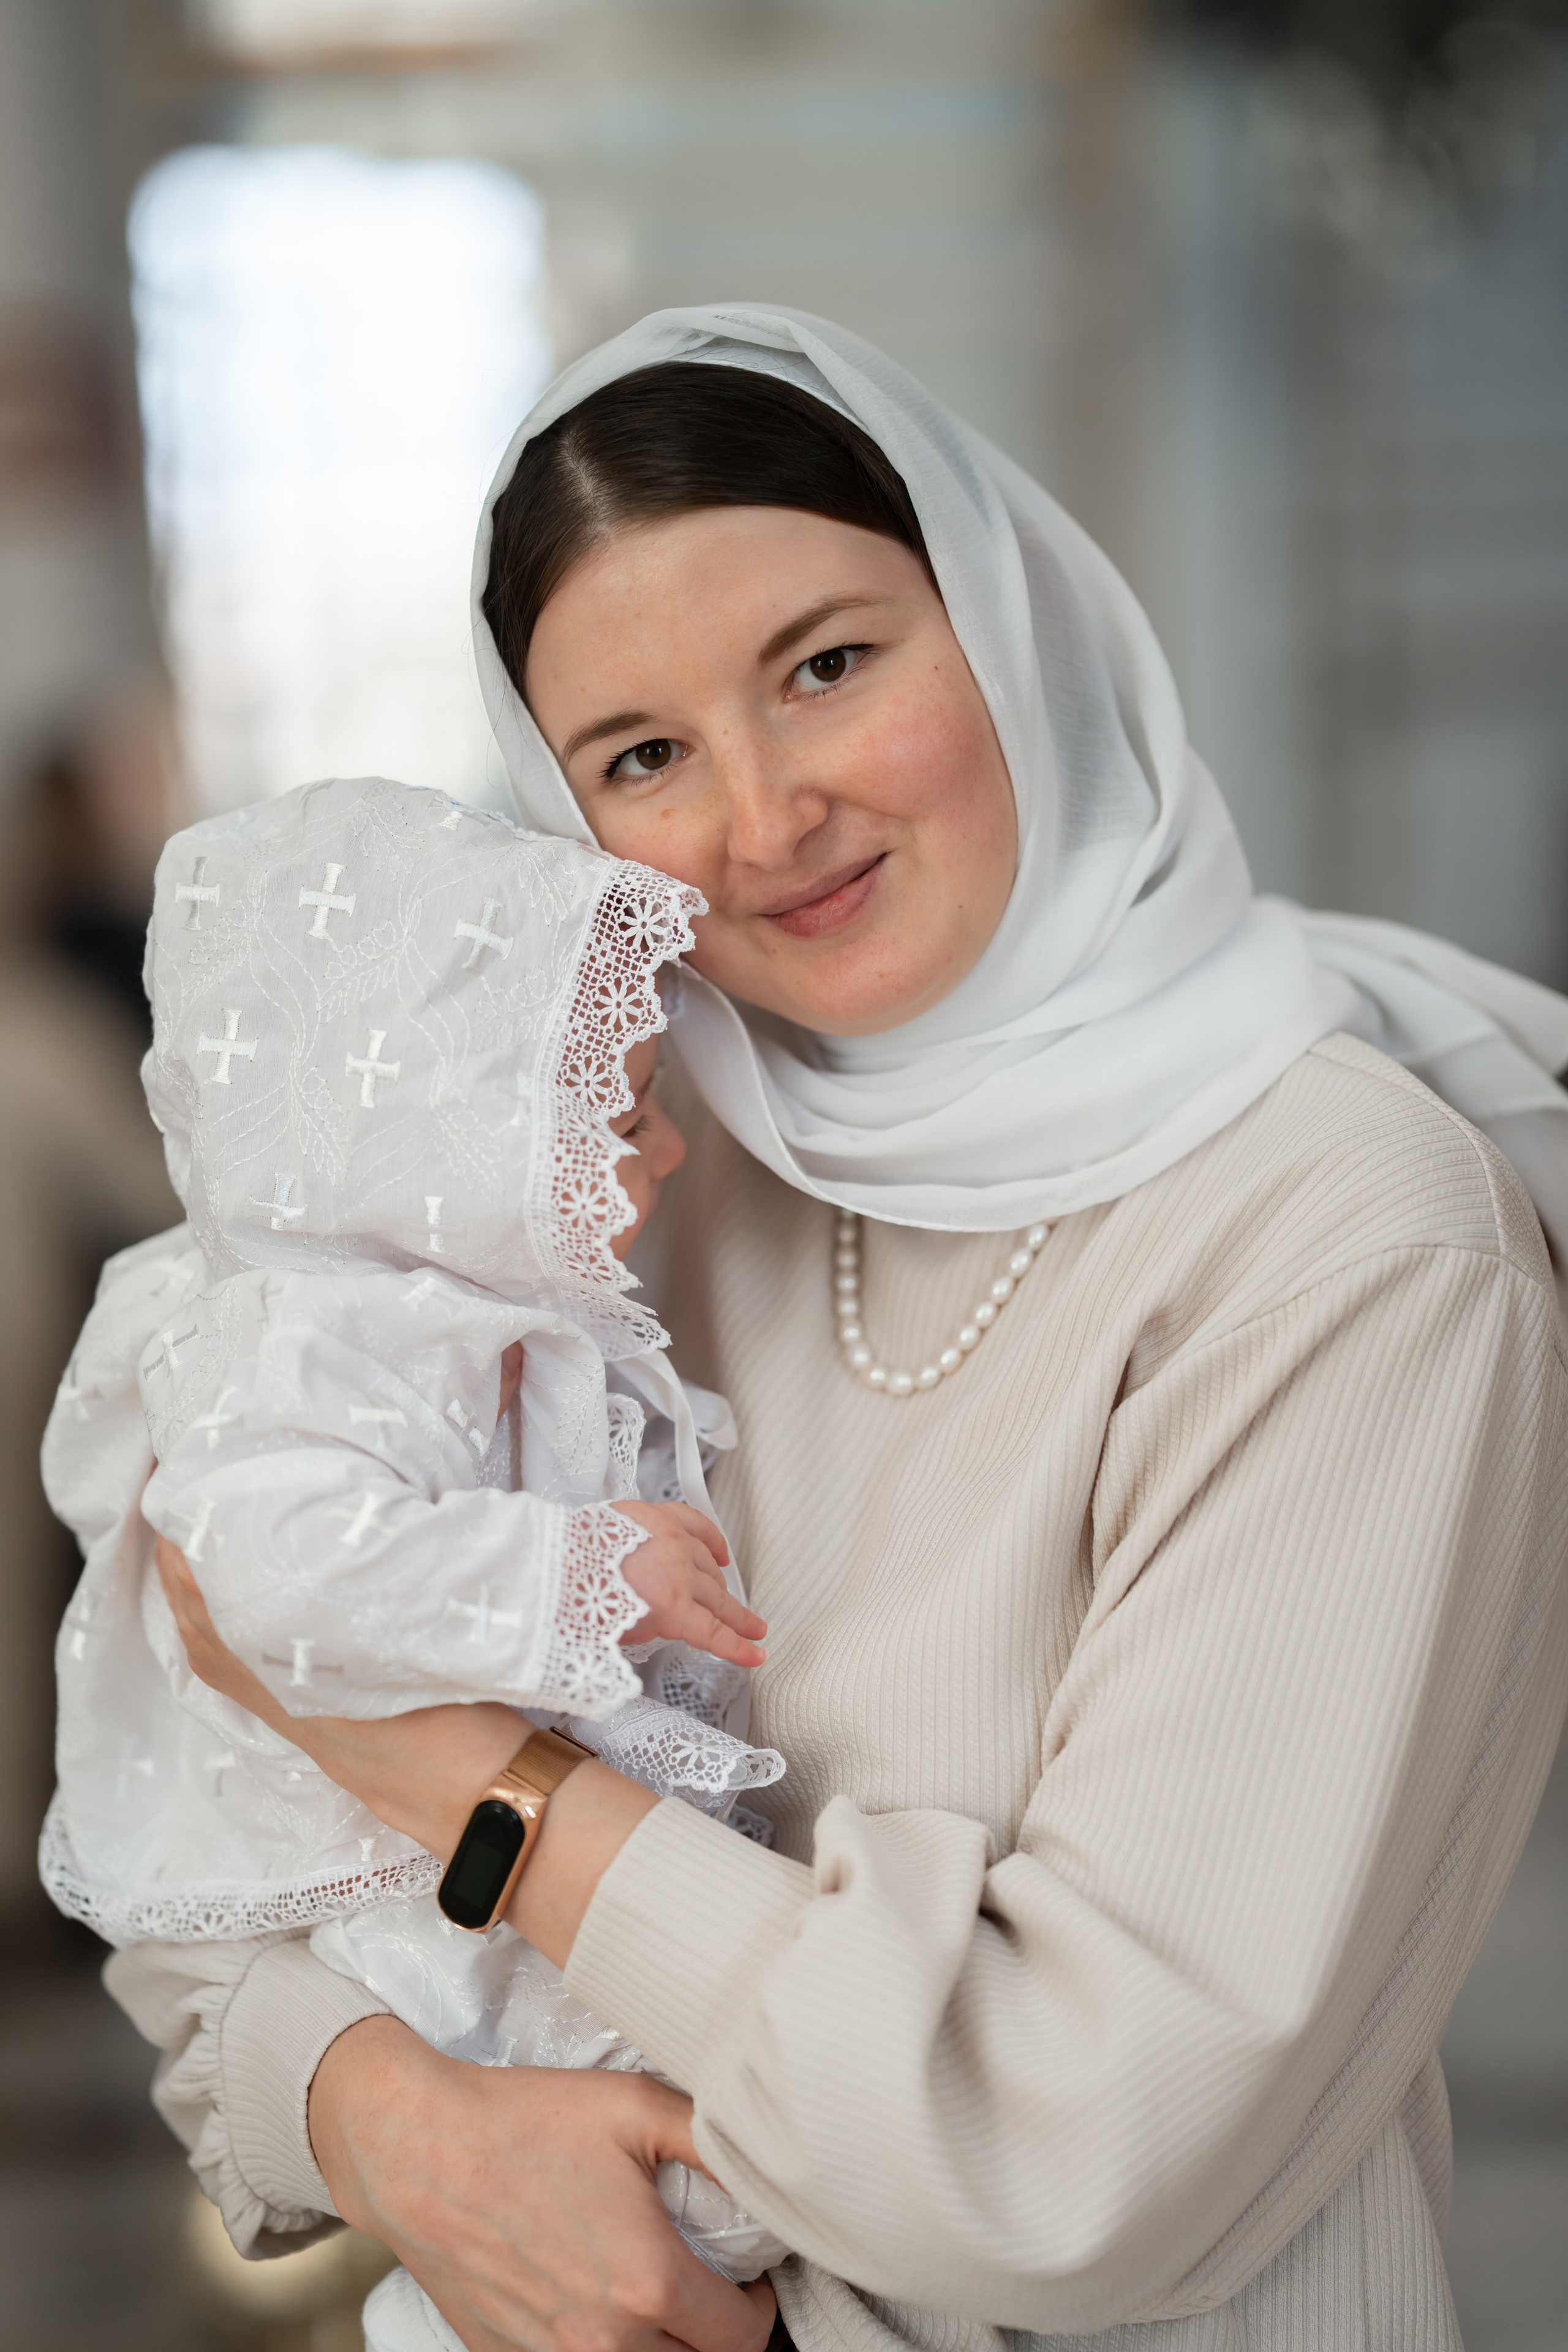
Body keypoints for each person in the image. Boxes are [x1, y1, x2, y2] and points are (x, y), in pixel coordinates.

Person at [99, 309, 1568, 2352]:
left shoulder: (1349, 1237)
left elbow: (1073, 2164)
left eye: (828, 665)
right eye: (643, 756)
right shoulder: (608, 1186)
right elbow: (184, 1811)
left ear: (1008, 623)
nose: (767, 814)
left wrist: (461, 1779)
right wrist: (388, 2122)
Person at [39, 778, 790, 2335]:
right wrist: (586, 1570)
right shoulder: (301, 1340)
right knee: (630, 2139)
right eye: (617, 1109)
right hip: (398, 1885)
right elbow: (282, 1576)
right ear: (433, 1124)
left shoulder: (448, 1310)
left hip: (480, 1861)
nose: (657, 1153)